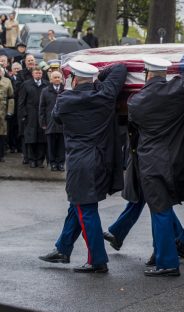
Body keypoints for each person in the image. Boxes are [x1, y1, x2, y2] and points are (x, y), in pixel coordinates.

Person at [105, 57, 184, 277]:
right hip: (176, 160)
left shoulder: (136, 101)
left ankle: (167, 262)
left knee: (160, 212)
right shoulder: (177, 89)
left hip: (150, 163)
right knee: (163, 210)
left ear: (146, 74)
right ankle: (161, 254)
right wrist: (180, 72)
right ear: (164, 73)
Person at [38, 61, 127, 273]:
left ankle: (97, 260)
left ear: (74, 80)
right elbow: (121, 68)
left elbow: (56, 118)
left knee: (86, 210)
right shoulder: (105, 95)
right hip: (101, 161)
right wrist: (99, 79)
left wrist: (92, 82)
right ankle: (63, 248)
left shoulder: (65, 99)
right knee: (77, 205)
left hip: (80, 163)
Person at [18, 67, 48, 168]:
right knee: (30, 138)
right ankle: (31, 159)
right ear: (32, 74)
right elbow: (21, 102)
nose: (38, 75)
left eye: (40, 73)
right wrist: (24, 115)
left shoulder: (46, 84)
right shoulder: (26, 84)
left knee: (42, 138)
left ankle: (40, 160)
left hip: (42, 115)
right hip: (30, 116)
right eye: (36, 73)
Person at [39, 71, 65, 172]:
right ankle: (53, 163)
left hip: (63, 123)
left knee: (62, 145)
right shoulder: (45, 91)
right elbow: (42, 108)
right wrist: (43, 122)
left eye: (59, 77)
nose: (57, 79)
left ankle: (61, 163)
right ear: (51, 79)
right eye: (55, 77)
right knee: (51, 145)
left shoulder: (65, 91)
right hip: (50, 123)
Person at [6, 62, 22, 153]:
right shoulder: (10, 80)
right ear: (12, 70)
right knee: (11, 128)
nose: (17, 70)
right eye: (15, 69)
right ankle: (12, 146)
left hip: (20, 106)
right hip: (12, 107)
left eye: (18, 68)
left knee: (19, 127)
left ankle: (19, 146)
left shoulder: (23, 79)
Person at [0, 66, 14, 162]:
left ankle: (1, 155)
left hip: (3, 111)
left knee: (1, 135)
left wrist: (10, 111)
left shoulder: (7, 81)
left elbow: (11, 97)